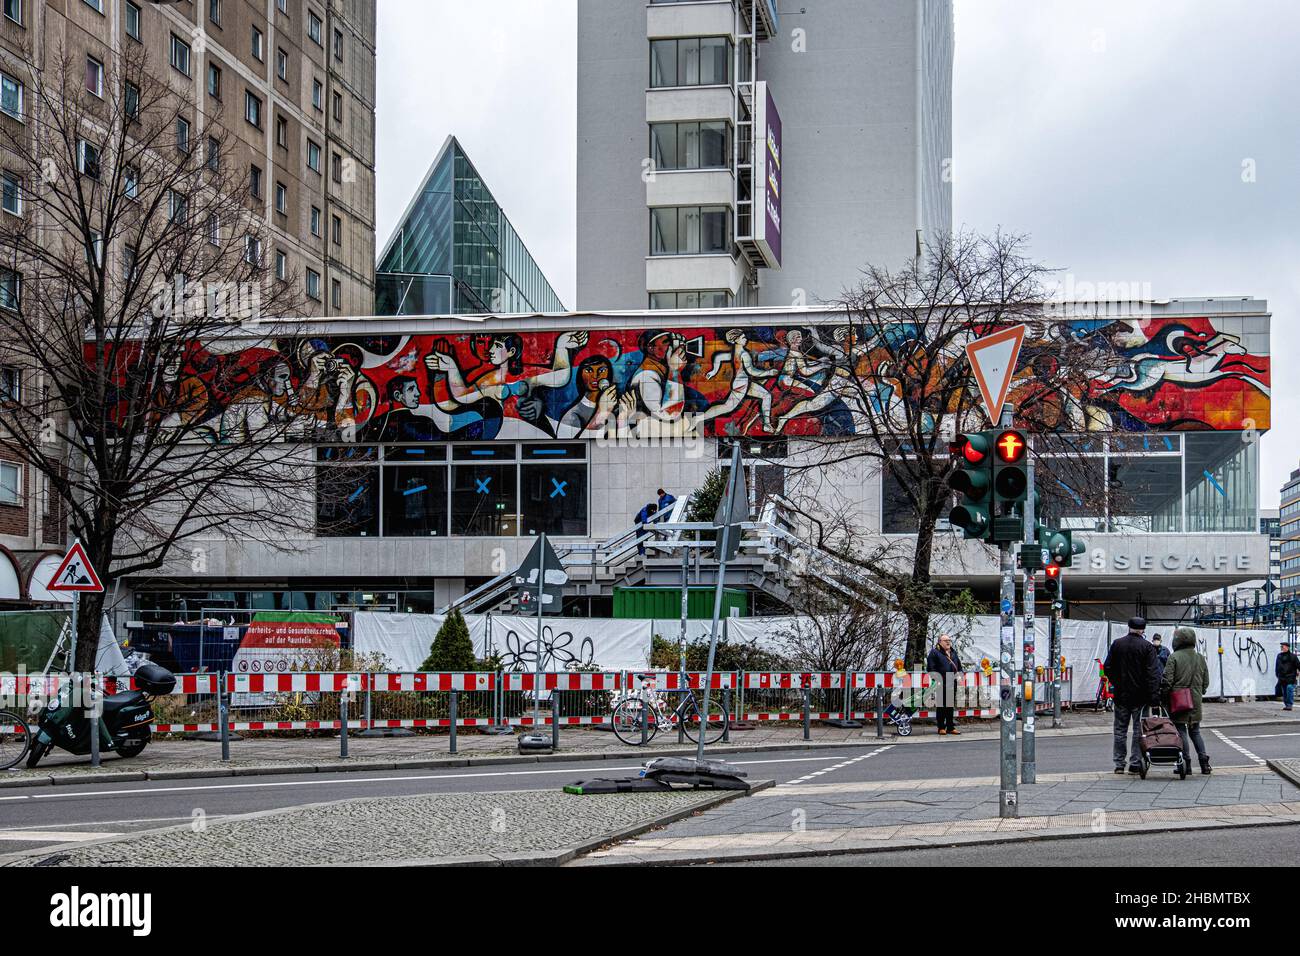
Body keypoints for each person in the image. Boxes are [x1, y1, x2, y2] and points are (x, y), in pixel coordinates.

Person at [1102, 617, 1160, 774]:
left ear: (1129, 627)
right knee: (1139, 730)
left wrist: (1117, 682)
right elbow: (1153, 674)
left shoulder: (1117, 644)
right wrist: (1154, 697)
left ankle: (1119, 763)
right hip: (1141, 697)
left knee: (1120, 730)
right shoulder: (1147, 647)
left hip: (1121, 695)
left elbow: (1107, 667)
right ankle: (1135, 762)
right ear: (1143, 630)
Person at [1161, 626, 1212, 774]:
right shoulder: (1200, 657)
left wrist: (1165, 696)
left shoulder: (1174, 657)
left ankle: (1186, 764)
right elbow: (1206, 681)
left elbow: (1167, 680)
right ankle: (1204, 764)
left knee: (1181, 731)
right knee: (1195, 732)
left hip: (1178, 699)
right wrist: (1199, 691)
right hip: (1195, 699)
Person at [926, 633, 964, 736]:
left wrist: (960, 675)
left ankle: (950, 727)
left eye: (949, 640)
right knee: (941, 706)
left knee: (950, 706)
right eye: (945, 640)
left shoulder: (953, 653)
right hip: (940, 683)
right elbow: (930, 668)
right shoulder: (934, 653)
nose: (948, 642)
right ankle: (941, 727)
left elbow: (959, 667)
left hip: (952, 683)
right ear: (939, 642)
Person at [1276, 641, 1299, 711]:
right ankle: (1287, 705)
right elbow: (1277, 666)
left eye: (1283, 646)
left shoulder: (1293, 656)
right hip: (1282, 677)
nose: (1281, 648)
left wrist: (1298, 672)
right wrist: (1277, 674)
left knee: (1289, 688)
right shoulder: (1279, 656)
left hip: (1291, 677)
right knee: (1284, 691)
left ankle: (1289, 704)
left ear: (1287, 647)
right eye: (1281, 647)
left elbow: (1298, 665)